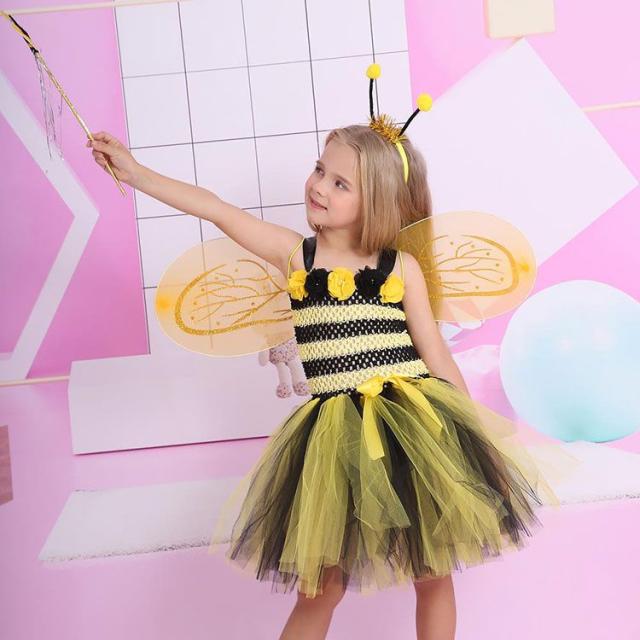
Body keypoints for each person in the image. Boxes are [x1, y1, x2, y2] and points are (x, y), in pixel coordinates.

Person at [87, 111, 563, 640]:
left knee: (433, 573)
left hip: (413, 434)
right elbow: (217, 209)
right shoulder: (298, 257)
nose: (319, 186)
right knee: (320, 587)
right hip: (334, 443)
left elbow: (436, 357)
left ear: (376, 202)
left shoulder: (401, 268)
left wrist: (474, 436)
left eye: (340, 184)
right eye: (319, 170)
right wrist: (135, 172)